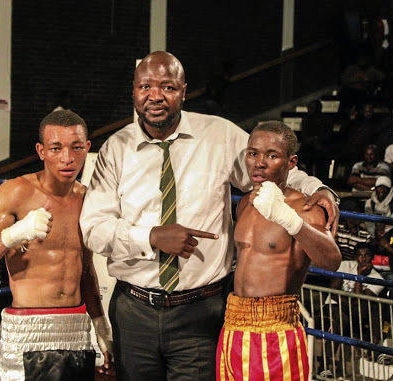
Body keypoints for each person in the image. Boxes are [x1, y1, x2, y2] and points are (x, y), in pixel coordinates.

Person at [80, 51, 340, 380]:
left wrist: (321, 189)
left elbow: (270, 166)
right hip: (134, 309)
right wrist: (152, 237)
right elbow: (93, 230)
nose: (156, 96)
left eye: (168, 87)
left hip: (202, 310)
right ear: (133, 90)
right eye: (146, 86)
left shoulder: (219, 135)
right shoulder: (115, 149)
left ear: (184, 91)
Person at [0, 110, 112, 380]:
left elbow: (86, 272)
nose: (67, 158)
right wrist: (14, 233)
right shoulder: (16, 192)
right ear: (41, 151)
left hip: (77, 330)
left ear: (87, 148)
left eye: (76, 148)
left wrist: (101, 328)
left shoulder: (87, 199)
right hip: (28, 330)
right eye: (56, 148)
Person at [215, 121, 341, 380]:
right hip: (232, 324)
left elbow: (331, 260)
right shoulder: (245, 204)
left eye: (271, 155)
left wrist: (289, 220)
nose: (259, 163)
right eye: (253, 153)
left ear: (291, 162)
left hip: (277, 328)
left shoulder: (304, 207)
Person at [321, 243, 384, 377]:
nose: (363, 259)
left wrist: (359, 277)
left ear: (372, 257)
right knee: (341, 320)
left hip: (357, 311)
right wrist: (352, 302)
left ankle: (375, 350)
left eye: (367, 255)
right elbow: (333, 293)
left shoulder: (378, 278)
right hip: (334, 305)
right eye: (360, 255)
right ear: (355, 257)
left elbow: (359, 302)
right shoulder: (345, 265)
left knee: (375, 308)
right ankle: (325, 366)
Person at [364, 175, 393, 241]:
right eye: (379, 187)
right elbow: (369, 223)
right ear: (376, 188)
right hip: (375, 235)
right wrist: (374, 235)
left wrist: (386, 232)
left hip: (392, 235)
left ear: (389, 190)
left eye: (385, 188)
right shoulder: (369, 202)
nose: (382, 190)